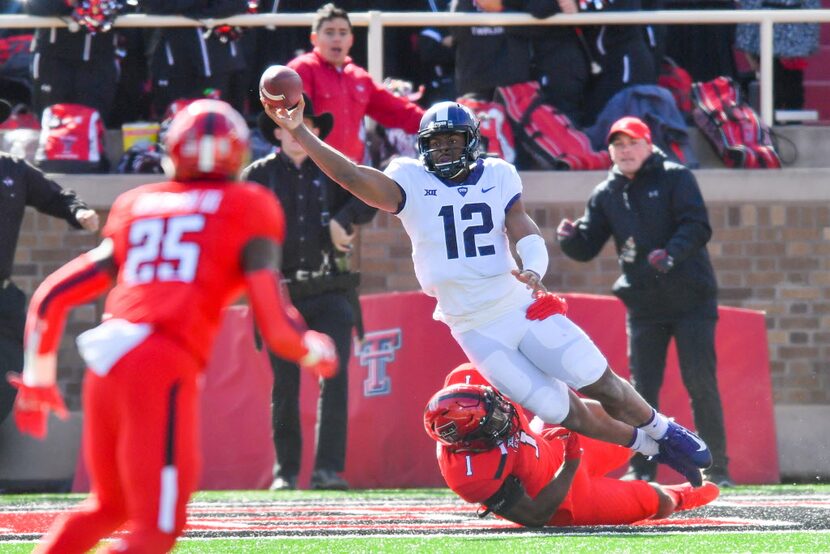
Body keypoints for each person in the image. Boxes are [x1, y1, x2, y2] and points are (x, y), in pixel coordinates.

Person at [261, 96, 714, 486]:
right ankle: (651, 448)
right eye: (435, 143)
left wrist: (535, 266)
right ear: (423, 148)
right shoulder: (409, 180)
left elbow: (520, 224)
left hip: (519, 304)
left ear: (471, 141)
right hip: (474, 327)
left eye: (452, 141)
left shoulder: (498, 174)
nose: (444, 150)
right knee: (561, 412)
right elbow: (352, 178)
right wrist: (299, 129)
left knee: (600, 380)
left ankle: (665, 429)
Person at [5, 99, 338, 553]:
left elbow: (51, 297)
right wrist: (314, 350)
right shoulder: (249, 204)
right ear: (238, 153)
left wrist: (39, 379)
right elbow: (276, 327)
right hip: (161, 362)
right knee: (157, 527)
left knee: (109, 506)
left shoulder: (137, 203)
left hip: (107, 361)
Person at [556, 116, 732, 487]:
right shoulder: (607, 191)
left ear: (649, 145)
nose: (625, 150)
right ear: (610, 152)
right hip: (645, 306)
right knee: (638, 391)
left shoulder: (676, 177)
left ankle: (716, 468)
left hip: (691, 300)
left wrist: (670, 254)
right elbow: (587, 246)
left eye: (632, 143)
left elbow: (698, 226)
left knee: (700, 381)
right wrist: (569, 238)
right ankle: (643, 467)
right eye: (618, 145)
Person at [242, 95, 377, 491]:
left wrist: (343, 218)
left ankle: (328, 470)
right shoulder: (257, 175)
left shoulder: (333, 170)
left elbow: (369, 195)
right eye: (286, 126)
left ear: (315, 132)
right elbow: (237, 226)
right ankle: (285, 472)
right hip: (280, 295)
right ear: (275, 133)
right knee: (284, 385)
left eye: (306, 126)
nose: (297, 134)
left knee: (333, 380)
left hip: (331, 289)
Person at [424, 364, 720, 527]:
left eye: (497, 404)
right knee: (657, 502)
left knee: (581, 411)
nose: (505, 412)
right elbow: (537, 516)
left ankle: (660, 444)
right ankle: (685, 495)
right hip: (565, 499)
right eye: (493, 419)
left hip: (552, 443)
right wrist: (571, 465)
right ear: (473, 441)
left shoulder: (469, 378)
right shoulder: (471, 475)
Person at [0, 98, 99, 428]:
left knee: (10, 378)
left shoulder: (12, 168)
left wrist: (78, 211)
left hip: (3, 298)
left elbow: (54, 195)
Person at [287, 3, 424, 165]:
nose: (337, 38)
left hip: (351, 175)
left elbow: (398, 111)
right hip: (310, 170)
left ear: (351, 39)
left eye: (343, 33)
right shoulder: (301, 69)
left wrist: (437, 121)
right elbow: (292, 121)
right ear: (314, 38)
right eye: (329, 32)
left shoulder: (359, 77)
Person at [24, 0, 123, 123]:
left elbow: (126, 8)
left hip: (98, 62)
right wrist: (71, 3)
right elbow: (33, 6)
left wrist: (102, 5)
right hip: (53, 62)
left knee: (93, 125)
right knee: (52, 127)